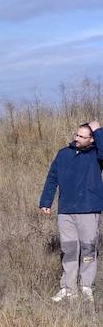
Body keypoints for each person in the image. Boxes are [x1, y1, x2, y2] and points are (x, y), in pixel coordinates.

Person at [39, 120, 103, 303]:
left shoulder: (96, 155)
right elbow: (52, 178)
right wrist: (46, 202)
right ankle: (68, 288)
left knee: (88, 249)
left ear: (92, 139)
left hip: (89, 209)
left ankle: (86, 287)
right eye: (77, 135)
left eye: (83, 137)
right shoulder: (63, 154)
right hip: (66, 211)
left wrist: (99, 130)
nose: (77, 139)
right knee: (69, 249)